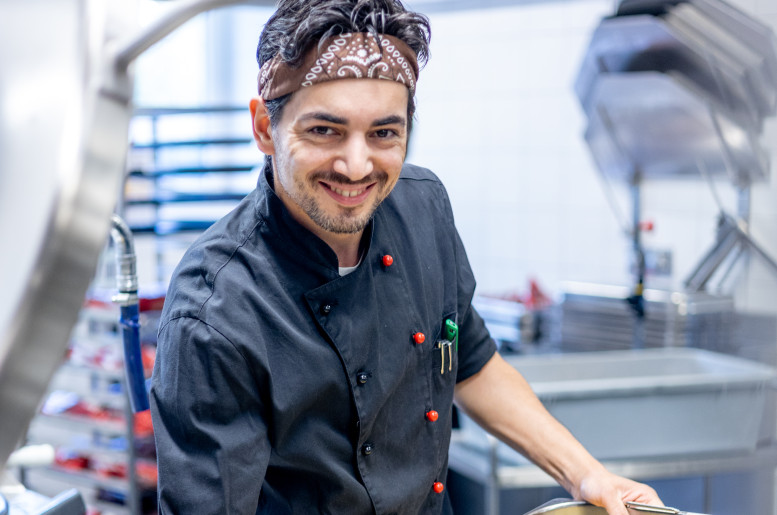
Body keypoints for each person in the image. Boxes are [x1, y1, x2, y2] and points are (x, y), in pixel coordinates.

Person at [149, 0, 663, 513]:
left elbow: (472, 364)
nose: (356, 166)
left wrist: (587, 475)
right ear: (265, 127)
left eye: (383, 133)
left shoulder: (422, 208)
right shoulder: (214, 310)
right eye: (325, 130)